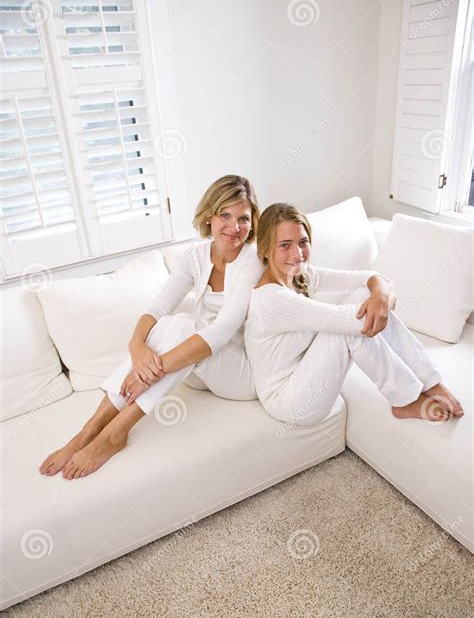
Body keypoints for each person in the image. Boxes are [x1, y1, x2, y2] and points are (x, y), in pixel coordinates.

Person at [39, 175, 263, 479]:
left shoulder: (252, 262)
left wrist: (148, 375)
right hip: (195, 371)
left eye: (243, 219)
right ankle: (87, 432)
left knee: (184, 324)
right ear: (209, 216)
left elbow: (222, 331)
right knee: (175, 322)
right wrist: (137, 349)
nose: (234, 227)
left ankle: (113, 434)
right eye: (225, 215)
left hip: (238, 372)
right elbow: (157, 308)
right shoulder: (196, 256)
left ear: (252, 224)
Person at [244, 202, 464, 427]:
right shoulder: (271, 299)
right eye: (285, 245)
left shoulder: (298, 275)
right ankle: (404, 399)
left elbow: (367, 277)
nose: (298, 254)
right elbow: (353, 322)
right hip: (290, 401)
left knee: (363, 297)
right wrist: (384, 298)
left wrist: (379, 293)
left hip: (305, 373)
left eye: (303, 242)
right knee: (351, 326)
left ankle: (430, 382)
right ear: (265, 249)